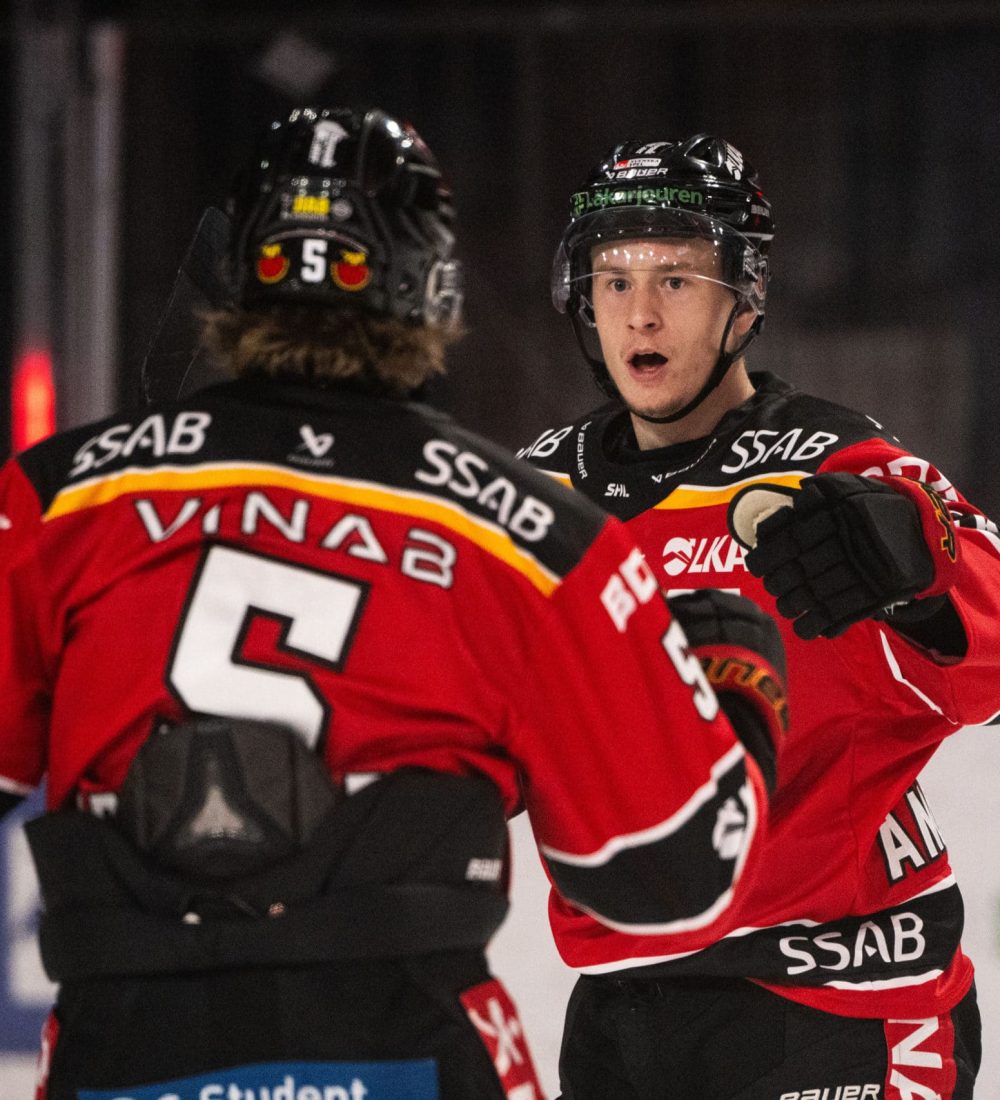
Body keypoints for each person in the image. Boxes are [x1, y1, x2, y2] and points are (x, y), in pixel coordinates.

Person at [0, 109, 790, 1100]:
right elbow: (669, 879)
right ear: (429, 284)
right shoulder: (528, 528)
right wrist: (737, 687)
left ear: (230, 266)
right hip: (405, 1046)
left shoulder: (57, 496)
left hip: (123, 1047)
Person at [519, 133, 1000, 1099]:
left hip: (845, 996)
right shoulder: (541, 487)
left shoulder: (838, 463)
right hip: (623, 1001)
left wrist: (920, 576)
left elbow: (989, 665)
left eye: (678, 280)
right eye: (614, 281)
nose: (640, 312)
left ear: (746, 296)